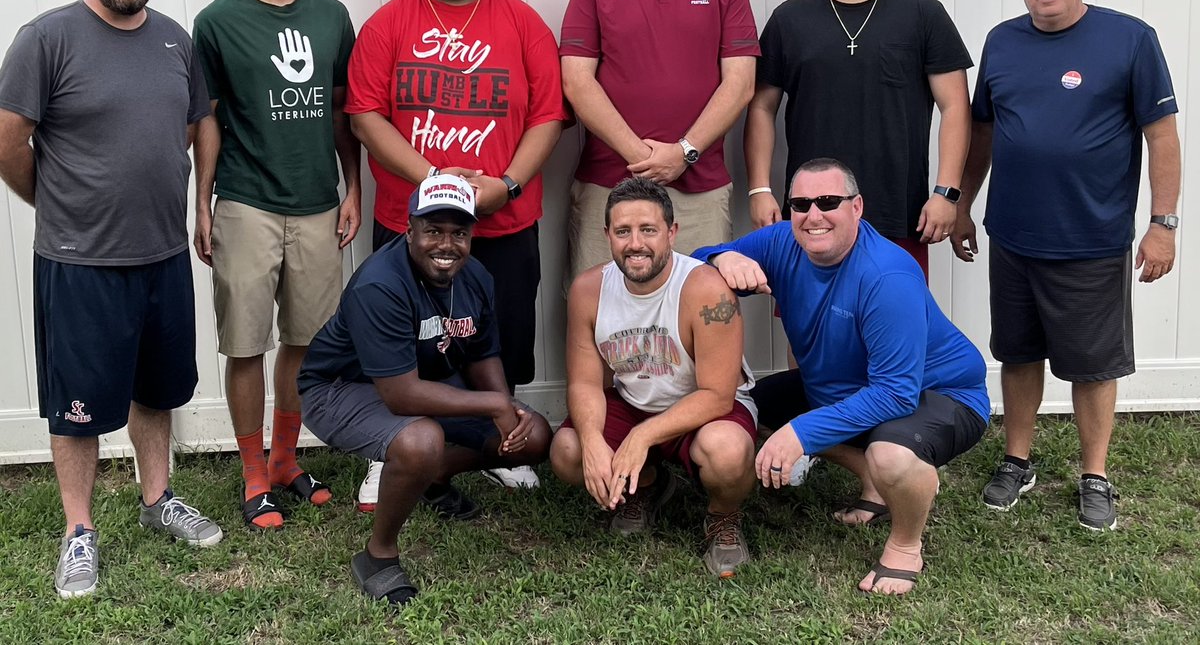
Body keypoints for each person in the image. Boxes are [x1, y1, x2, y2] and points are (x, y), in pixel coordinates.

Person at [0, 0, 223, 600]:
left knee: (154, 390)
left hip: (160, 254)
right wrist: (58, 203)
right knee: (78, 406)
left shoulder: (173, 41)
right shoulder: (48, 38)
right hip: (80, 260)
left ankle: (157, 497)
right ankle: (78, 530)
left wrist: (199, 202)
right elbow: (9, 141)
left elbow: (197, 123)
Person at [952, 0, 1180, 532]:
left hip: (1092, 239)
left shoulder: (1130, 39)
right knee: (1018, 353)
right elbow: (983, 134)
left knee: (1092, 365)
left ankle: (1094, 475)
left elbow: (1163, 137)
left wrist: (1163, 224)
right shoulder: (1001, 42)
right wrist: (964, 203)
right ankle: (1017, 459)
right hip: (1015, 236)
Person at [346, 0, 565, 499]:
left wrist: (508, 184)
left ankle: (500, 439)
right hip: (409, 221)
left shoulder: (520, 21)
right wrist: (432, 182)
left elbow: (548, 115)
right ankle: (389, 447)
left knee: (504, 334)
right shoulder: (388, 23)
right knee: (403, 340)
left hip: (504, 216)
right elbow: (365, 114)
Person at [699, 158, 989, 596]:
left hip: (939, 393)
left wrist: (801, 432)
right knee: (743, 406)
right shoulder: (783, 241)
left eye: (828, 202)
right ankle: (871, 480)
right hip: (848, 386)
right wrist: (721, 256)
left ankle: (906, 544)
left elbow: (895, 394)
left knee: (891, 454)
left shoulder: (888, 275)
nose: (813, 215)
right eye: (800, 204)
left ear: (857, 208)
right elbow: (689, 268)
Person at [298, 174, 552, 606]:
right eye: (433, 231)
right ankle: (378, 556)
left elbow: (481, 353)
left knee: (535, 437)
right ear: (410, 228)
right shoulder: (381, 284)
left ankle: (435, 476)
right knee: (420, 440)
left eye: (459, 233)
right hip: (340, 388)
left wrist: (506, 412)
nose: (446, 245)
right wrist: (494, 401)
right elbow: (401, 397)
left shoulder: (476, 277)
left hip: (425, 380)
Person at [192, 0, 361, 530]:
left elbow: (345, 114)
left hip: (318, 203)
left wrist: (355, 187)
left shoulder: (330, 17)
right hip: (245, 201)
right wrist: (203, 203)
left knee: (305, 340)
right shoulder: (217, 22)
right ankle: (252, 471)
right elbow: (206, 121)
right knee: (245, 343)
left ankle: (287, 459)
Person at [744, 0, 972, 279]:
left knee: (896, 327)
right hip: (811, 213)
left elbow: (955, 107)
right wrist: (758, 189)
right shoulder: (790, 19)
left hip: (899, 211)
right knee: (809, 331)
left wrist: (946, 193)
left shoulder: (922, 14)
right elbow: (760, 107)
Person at [550, 177, 758, 579]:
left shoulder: (706, 289)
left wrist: (641, 437)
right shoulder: (588, 289)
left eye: (648, 229)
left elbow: (717, 395)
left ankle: (722, 517)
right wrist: (594, 442)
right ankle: (647, 485)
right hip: (634, 402)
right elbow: (585, 383)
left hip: (704, 409)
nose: (635, 243)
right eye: (623, 231)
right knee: (568, 451)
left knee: (727, 453)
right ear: (607, 234)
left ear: (671, 232)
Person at [559, 0, 758, 281]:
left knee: (704, 307)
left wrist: (683, 153)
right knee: (601, 312)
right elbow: (577, 82)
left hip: (699, 187)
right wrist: (643, 158)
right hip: (608, 185)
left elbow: (740, 84)